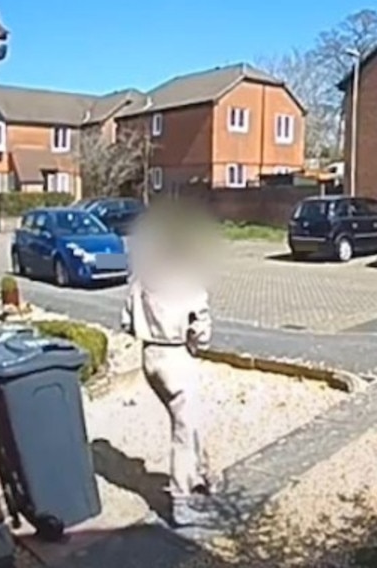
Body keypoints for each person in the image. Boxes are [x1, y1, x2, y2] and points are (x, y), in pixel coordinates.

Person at [120, 202, 216, 528]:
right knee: (183, 429)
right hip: (176, 357)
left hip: (150, 358)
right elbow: (201, 331)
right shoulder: (188, 282)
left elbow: (126, 322)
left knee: (188, 418)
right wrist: (195, 345)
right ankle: (181, 500)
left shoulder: (143, 279)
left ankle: (202, 472)